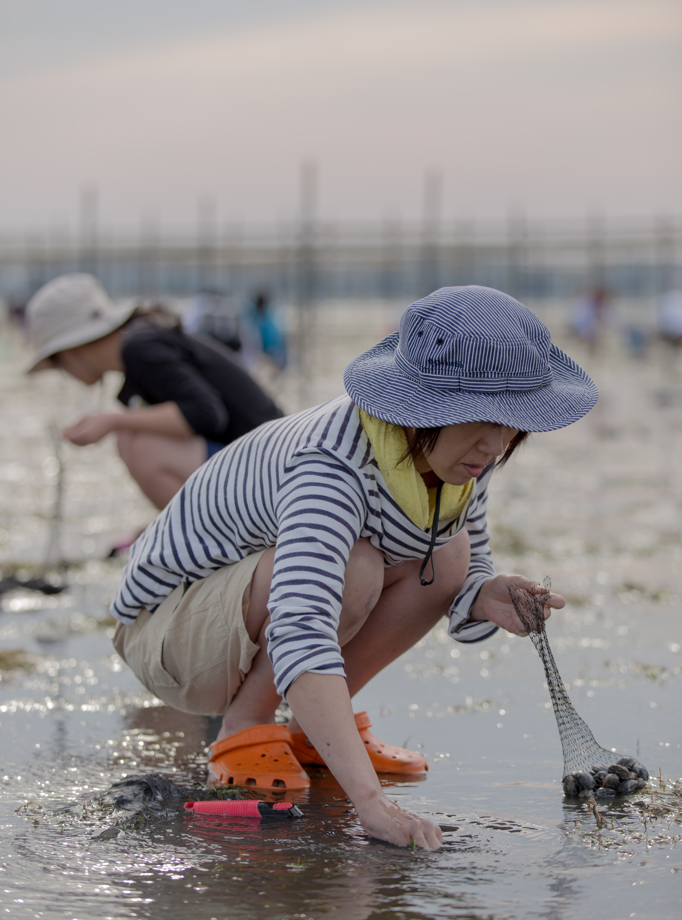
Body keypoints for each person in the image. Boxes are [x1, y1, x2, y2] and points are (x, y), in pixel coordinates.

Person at [110, 286, 597, 850]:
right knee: (356, 566)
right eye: (479, 415)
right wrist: (371, 804)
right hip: (169, 634)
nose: (496, 441)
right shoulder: (331, 465)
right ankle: (244, 729)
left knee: (451, 555)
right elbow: (301, 625)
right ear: (422, 406)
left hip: (245, 616)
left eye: (513, 421)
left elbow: (470, 549)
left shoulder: (464, 452)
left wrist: (482, 594)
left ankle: (309, 734)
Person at [25, 274, 283, 509]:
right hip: (255, 468)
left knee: (140, 444)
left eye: (57, 363)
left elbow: (206, 413)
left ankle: (201, 541)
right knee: (132, 437)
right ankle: (179, 530)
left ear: (70, 351)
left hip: (273, 473)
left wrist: (111, 421)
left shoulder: (139, 348)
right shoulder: (138, 349)